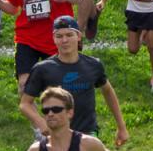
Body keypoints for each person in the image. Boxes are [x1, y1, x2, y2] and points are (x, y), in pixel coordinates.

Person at [22, 15, 129, 143]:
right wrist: (41, 123)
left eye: (69, 35)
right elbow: (25, 103)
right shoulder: (43, 69)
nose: (64, 40)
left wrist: (121, 127)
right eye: (59, 36)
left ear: (78, 37)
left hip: (87, 133)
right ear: (54, 39)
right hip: (55, 134)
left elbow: (108, 91)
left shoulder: (93, 65)